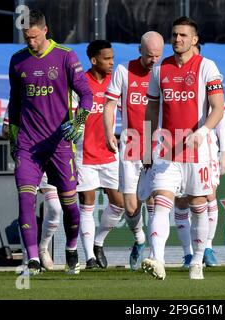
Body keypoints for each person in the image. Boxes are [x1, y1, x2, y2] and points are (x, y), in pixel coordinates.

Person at [7, 9, 93, 275]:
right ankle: (32, 260)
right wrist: (12, 136)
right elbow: (15, 103)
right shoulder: (17, 61)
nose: (30, 42)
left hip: (59, 143)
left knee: (69, 203)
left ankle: (70, 250)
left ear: (45, 30)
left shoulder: (66, 56)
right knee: (25, 199)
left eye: (34, 36)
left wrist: (78, 122)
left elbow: (87, 95)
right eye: (26, 37)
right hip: (28, 143)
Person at [142, 16, 225, 280]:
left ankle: (197, 261)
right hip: (167, 149)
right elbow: (152, 107)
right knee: (161, 201)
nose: (177, 39)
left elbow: (218, 107)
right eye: (174, 34)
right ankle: (157, 259)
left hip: (199, 151)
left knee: (198, 204)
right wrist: (145, 144)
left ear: (194, 40)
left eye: (183, 36)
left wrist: (202, 132)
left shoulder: (207, 67)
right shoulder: (159, 69)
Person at [104, 31, 164, 270]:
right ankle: (139, 237)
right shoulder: (123, 70)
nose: (153, 61)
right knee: (130, 207)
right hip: (131, 144)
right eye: (149, 56)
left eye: (158, 56)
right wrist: (109, 132)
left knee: (155, 200)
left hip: (159, 144)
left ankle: (154, 252)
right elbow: (109, 104)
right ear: (140, 51)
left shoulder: (164, 72)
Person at [173, 43, 225, 268]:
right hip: (176, 147)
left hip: (206, 149)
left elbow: (221, 116)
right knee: (181, 200)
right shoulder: (172, 75)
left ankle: (207, 247)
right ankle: (187, 253)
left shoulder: (208, 73)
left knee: (209, 196)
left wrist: (224, 150)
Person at [75, 40, 126, 270]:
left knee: (120, 203)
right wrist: (75, 130)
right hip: (84, 154)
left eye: (113, 58)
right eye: (107, 58)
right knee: (88, 202)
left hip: (109, 152)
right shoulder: (79, 83)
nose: (112, 62)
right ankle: (89, 258)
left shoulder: (115, 83)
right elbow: (73, 117)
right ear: (94, 60)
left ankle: (98, 242)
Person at [3, 108, 61, 271]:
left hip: (50, 158)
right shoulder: (20, 98)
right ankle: (29, 257)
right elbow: (5, 129)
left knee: (56, 209)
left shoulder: (54, 97)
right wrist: (20, 136)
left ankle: (43, 248)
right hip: (28, 159)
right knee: (27, 207)